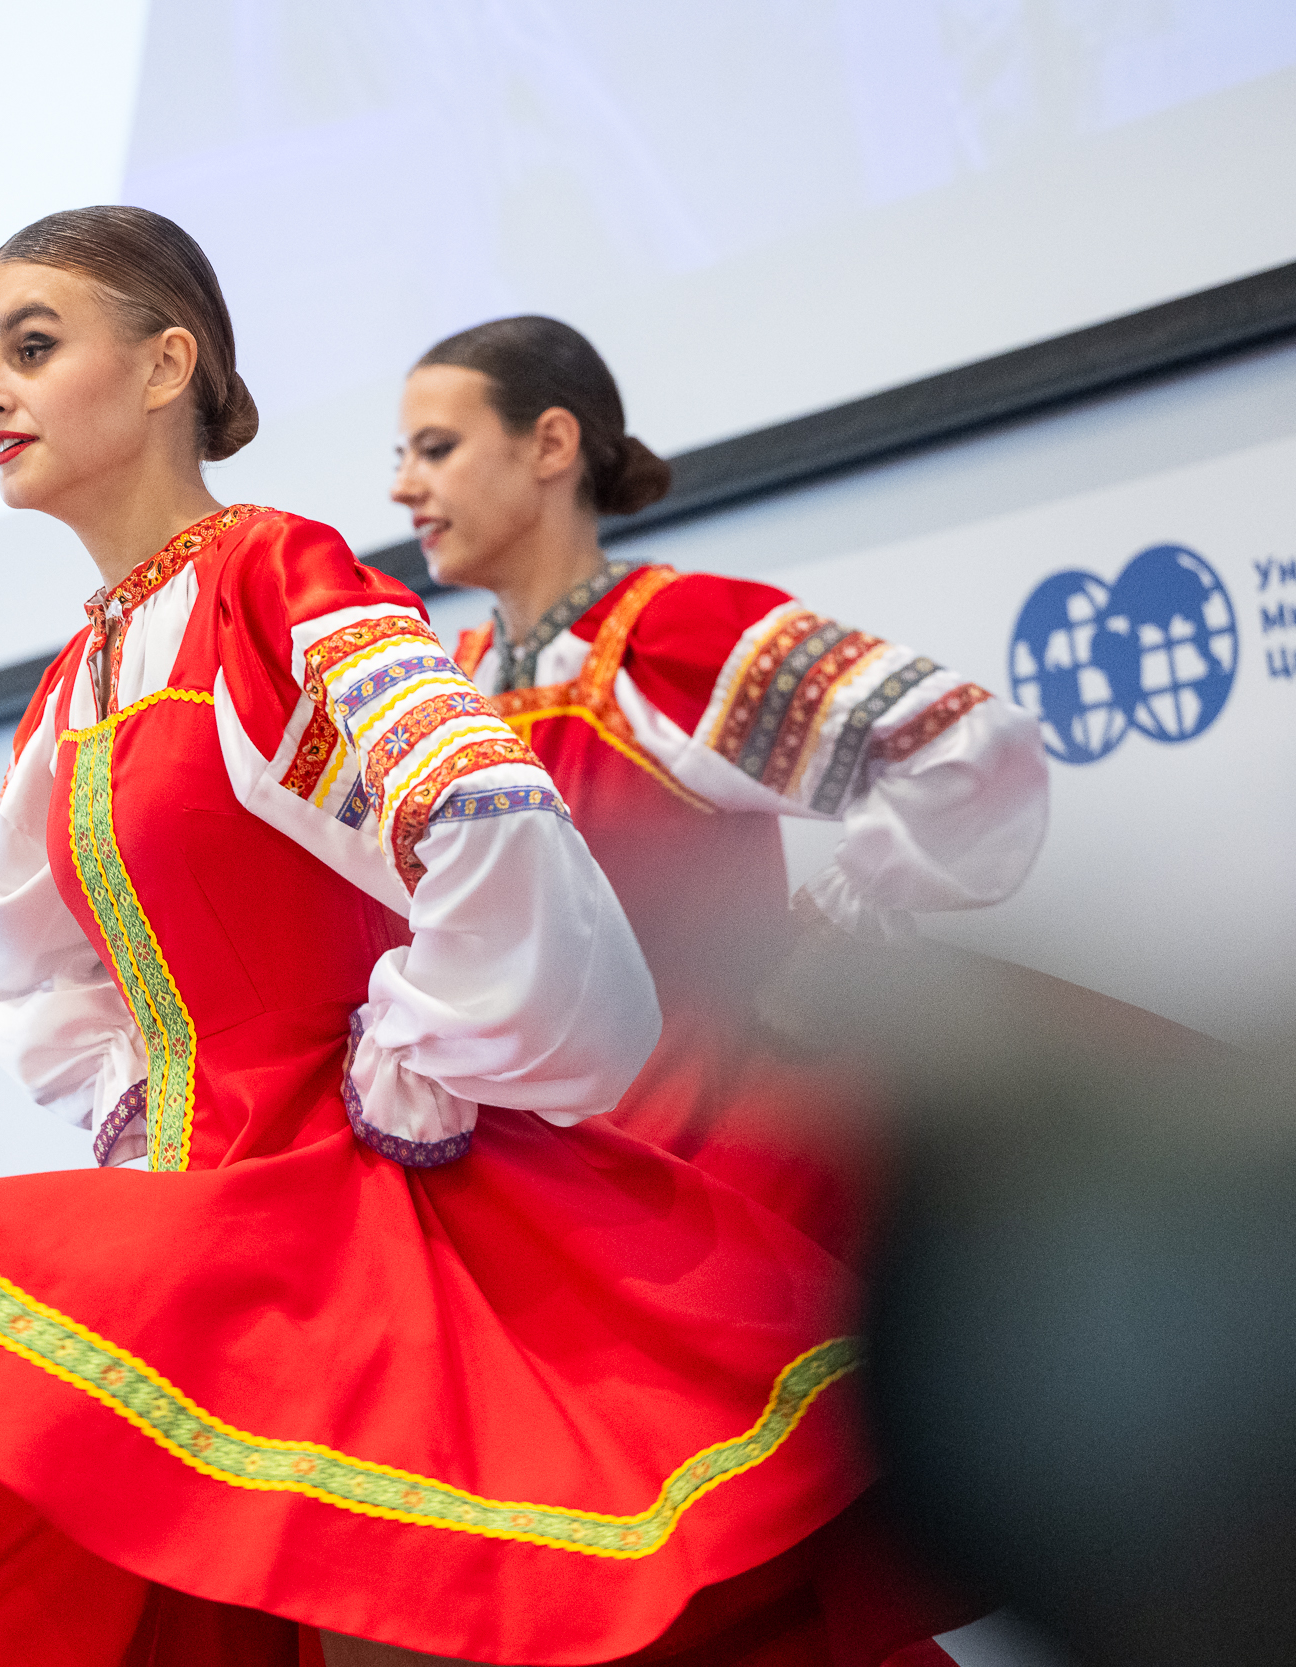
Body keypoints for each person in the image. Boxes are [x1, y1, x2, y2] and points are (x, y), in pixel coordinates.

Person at [0, 207, 945, 1666]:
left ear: (165, 368)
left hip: (365, 1206)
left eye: (31, 347)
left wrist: (416, 1056)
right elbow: (36, 965)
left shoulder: (274, 578)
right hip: (211, 1224)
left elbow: (484, 804)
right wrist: (135, 1113)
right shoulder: (78, 679)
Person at [391, 316, 1051, 1260]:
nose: (404, 486)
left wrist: (832, 926)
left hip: (716, 1170)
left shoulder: (674, 634)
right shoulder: (447, 687)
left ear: (550, 445)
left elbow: (966, 744)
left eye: (436, 449)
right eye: (403, 457)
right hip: (533, 1197)